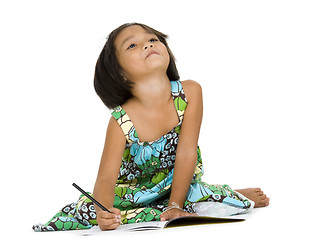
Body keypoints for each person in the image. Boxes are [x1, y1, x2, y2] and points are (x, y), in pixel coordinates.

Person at [32, 23, 269, 232]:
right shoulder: (121, 120)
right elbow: (105, 178)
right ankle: (167, 206)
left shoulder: (190, 92)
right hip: (134, 192)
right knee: (92, 212)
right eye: (132, 46)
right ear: (120, 74)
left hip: (177, 181)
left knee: (201, 198)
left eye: (153, 39)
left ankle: (224, 194)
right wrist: (103, 212)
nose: (147, 45)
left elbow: (187, 152)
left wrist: (175, 205)